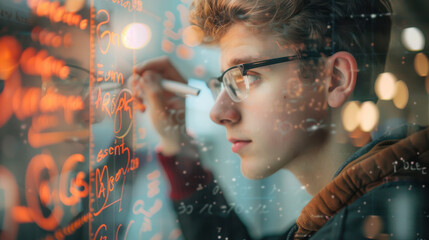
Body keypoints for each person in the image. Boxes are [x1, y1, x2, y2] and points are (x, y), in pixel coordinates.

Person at [131, 0, 429, 239]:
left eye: (246, 77)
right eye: (224, 83)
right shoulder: (353, 211)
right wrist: (177, 142)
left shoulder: (371, 224)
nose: (219, 112)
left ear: (335, 79)